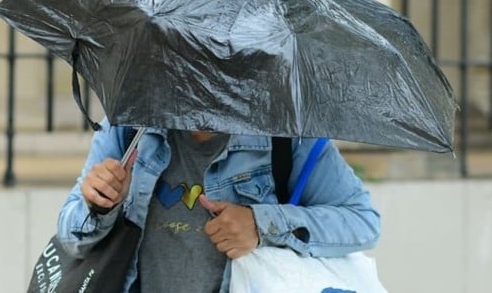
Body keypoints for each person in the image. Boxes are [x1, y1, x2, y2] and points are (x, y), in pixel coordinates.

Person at [57, 118, 381, 292]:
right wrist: (99, 203)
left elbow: (362, 221)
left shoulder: (288, 136)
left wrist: (261, 224)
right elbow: (71, 238)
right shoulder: (129, 128)